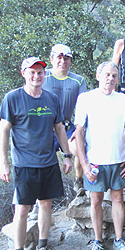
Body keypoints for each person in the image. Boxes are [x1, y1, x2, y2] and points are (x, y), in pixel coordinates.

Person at [0, 57, 73, 250]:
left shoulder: (51, 98)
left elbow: (59, 128)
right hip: (24, 164)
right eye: (32, 72)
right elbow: (3, 132)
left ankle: (42, 246)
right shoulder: (13, 98)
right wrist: (4, 162)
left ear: (44, 74)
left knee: (46, 205)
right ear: (23, 73)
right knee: (22, 208)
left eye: (40, 72)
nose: (36, 76)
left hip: (48, 161)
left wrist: (67, 155)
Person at [74, 61, 125, 250]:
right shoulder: (86, 99)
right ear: (98, 75)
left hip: (118, 159)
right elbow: (79, 132)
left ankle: (119, 239)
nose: (110, 79)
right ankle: (97, 242)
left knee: (118, 199)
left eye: (114, 76)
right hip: (95, 162)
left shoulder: (122, 99)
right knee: (96, 200)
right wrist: (84, 164)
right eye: (107, 75)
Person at [44, 44, 87, 193]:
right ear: (51, 59)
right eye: (59, 58)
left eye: (66, 58)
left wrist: (80, 128)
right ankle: (38, 201)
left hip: (67, 126)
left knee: (81, 148)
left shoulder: (78, 80)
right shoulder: (43, 76)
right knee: (41, 163)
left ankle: (79, 181)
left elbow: (82, 106)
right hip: (46, 128)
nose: (63, 61)